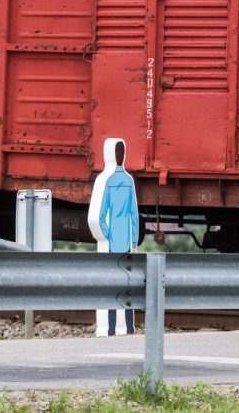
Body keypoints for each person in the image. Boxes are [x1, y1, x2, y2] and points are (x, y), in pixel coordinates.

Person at [87, 137, 139, 337]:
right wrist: (133, 241)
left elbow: (99, 216)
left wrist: (106, 235)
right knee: (126, 287)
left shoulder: (105, 180)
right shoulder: (128, 180)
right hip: (126, 240)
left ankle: (108, 329)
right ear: (123, 154)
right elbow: (134, 214)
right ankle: (128, 327)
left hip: (111, 242)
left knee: (110, 287)